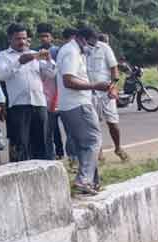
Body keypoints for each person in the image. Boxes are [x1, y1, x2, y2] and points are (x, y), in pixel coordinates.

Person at [56, 27, 114, 194]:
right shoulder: (72, 52)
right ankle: (83, 180)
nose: (91, 49)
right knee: (94, 141)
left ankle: (93, 182)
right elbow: (68, 80)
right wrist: (95, 85)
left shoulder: (72, 51)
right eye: (90, 44)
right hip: (78, 104)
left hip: (70, 105)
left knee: (84, 145)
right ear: (81, 39)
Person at [0, 22, 56, 161]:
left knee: (42, 142)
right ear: (10, 39)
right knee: (21, 144)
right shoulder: (3, 56)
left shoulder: (34, 54)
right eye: (18, 38)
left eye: (24, 38)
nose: (22, 42)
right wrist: (19, 62)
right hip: (18, 106)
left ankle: (42, 173)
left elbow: (51, 74)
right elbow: (1, 75)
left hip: (39, 103)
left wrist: (48, 60)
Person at [85, 32, 127, 161]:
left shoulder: (104, 48)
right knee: (94, 125)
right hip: (89, 92)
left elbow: (114, 68)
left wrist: (113, 87)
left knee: (113, 123)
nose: (94, 40)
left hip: (106, 92)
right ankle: (99, 153)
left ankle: (118, 148)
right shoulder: (81, 50)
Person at [36, 23, 64, 160]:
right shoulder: (36, 52)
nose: (43, 39)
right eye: (41, 36)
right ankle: (53, 153)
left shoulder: (57, 51)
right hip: (44, 93)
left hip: (58, 92)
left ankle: (61, 152)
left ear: (51, 37)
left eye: (46, 36)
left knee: (59, 126)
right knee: (50, 127)